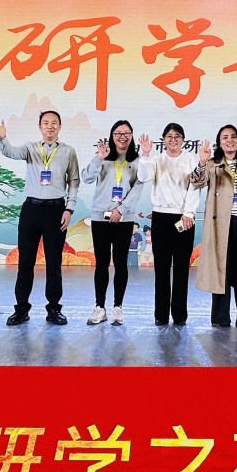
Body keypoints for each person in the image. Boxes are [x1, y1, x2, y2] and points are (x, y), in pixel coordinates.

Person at [0, 109, 80, 325]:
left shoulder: (68, 151)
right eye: (45, 123)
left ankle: (54, 309)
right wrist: (2, 138)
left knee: (54, 263)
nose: (50, 126)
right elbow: (11, 152)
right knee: (25, 262)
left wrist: (69, 209)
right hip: (31, 209)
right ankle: (21, 309)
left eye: (54, 123)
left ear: (60, 127)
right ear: (40, 127)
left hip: (56, 210)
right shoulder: (30, 148)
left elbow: (74, 181)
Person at [190, 125, 237, 327]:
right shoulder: (213, 164)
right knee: (220, 269)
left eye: (233, 137)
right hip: (220, 224)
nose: (229, 140)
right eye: (225, 137)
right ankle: (220, 318)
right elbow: (196, 182)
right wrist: (202, 162)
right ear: (219, 143)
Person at [81, 120, 146, 325]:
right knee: (101, 263)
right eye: (118, 133)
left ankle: (118, 307)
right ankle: (100, 307)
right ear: (112, 135)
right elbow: (86, 178)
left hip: (124, 218)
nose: (122, 137)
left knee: (120, 263)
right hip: (101, 217)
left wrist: (121, 209)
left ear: (132, 136)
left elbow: (138, 188)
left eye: (127, 133)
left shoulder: (137, 161)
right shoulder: (103, 157)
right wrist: (98, 158)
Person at [136, 123, 200, 326]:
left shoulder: (191, 159)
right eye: (169, 136)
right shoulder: (156, 159)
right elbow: (143, 176)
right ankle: (161, 315)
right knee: (162, 269)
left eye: (177, 136)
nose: (173, 139)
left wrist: (189, 213)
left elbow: (195, 187)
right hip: (161, 217)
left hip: (184, 218)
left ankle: (179, 315)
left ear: (183, 140)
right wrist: (145, 154)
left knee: (181, 268)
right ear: (163, 139)